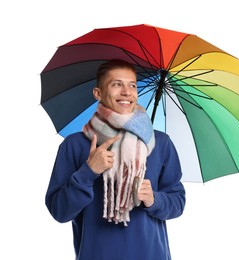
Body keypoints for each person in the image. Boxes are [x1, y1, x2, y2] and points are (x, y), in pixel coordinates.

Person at [45, 59, 186, 260]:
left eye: (132, 85)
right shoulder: (75, 144)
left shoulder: (160, 143)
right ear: (98, 93)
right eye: (117, 84)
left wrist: (154, 199)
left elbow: (177, 201)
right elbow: (59, 211)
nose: (127, 92)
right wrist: (89, 171)